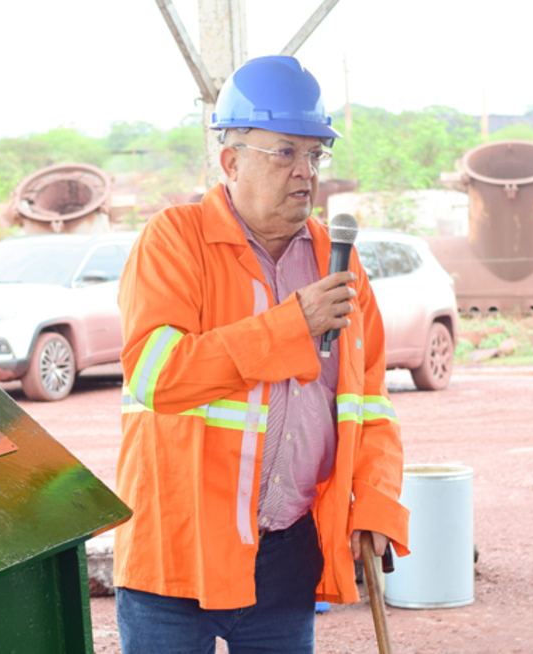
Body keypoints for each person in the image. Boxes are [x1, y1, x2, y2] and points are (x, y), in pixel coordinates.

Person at [113, 55, 409, 653]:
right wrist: (290, 327)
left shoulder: (341, 264)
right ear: (231, 161)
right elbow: (155, 375)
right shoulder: (174, 240)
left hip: (284, 559)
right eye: (285, 153)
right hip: (176, 552)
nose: (305, 173)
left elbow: (369, 405)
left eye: (314, 155)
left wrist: (376, 501)